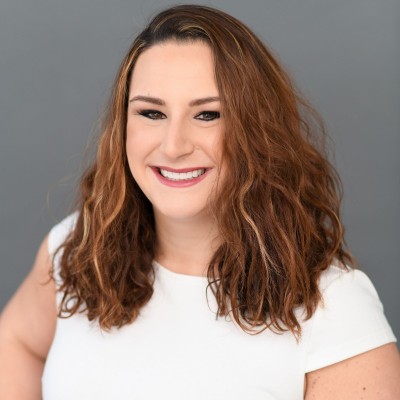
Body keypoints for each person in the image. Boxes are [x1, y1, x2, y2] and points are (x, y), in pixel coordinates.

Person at [0, 4, 399, 399]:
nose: (173, 146)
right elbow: (16, 343)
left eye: (207, 115)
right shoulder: (76, 248)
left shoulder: (334, 304)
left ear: (257, 132)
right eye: (152, 113)